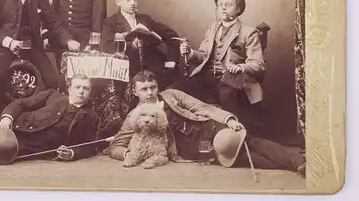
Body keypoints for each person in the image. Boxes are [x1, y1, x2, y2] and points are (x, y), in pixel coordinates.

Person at [107, 70, 305, 175]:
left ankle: (297, 160)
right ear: (135, 92)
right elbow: (116, 145)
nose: (150, 93)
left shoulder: (171, 95)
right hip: (190, 148)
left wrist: (228, 119)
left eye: (152, 87)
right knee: (239, 159)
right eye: (144, 89)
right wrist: (129, 154)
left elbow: (202, 107)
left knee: (248, 140)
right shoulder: (134, 115)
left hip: (206, 127)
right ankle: (295, 162)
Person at [176, 0, 266, 131]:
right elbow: (203, 56)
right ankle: (200, 132)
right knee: (186, 87)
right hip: (209, 76)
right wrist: (189, 53)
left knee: (227, 90)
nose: (223, 8)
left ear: (238, 8)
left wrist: (240, 67)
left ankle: (230, 132)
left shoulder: (249, 32)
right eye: (220, 5)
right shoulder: (213, 28)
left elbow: (258, 64)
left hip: (233, 81)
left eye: (228, 5)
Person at [101, 0, 180, 90]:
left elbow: (173, 37)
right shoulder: (110, 22)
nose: (133, 3)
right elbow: (106, 47)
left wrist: (172, 60)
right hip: (125, 71)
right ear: (118, 2)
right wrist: (130, 46)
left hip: (151, 70)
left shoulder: (146, 20)